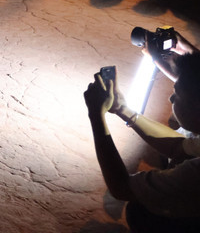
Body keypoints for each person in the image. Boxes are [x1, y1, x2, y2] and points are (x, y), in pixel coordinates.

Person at [84, 50, 200, 231]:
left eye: (177, 94)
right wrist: (123, 109)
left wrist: (96, 115)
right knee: (176, 158)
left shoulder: (194, 173)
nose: (171, 98)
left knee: (140, 211)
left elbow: (121, 186)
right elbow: (179, 146)